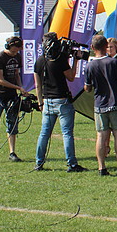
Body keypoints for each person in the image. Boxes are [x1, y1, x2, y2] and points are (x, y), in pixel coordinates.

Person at [33, 32, 86, 172]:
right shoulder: (61, 59)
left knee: (44, 133)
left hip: (47, 101)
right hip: (62, 100)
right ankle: (72, 164)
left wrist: (40, 102)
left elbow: (37, 85)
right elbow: (71, 77)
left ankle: (39, 163)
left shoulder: (39, 61)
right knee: (67, 133)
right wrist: (75, 61)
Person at [84, 34, 117, 176]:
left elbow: (87, 89)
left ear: (93, 48)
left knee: (101, 136)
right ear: (106, 47)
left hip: (99, 105)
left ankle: (102, 168)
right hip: (116, 104)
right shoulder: (113, 63)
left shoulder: (90, 65)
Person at [0, 36, 26, 164]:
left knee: (12, 123)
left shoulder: (18, 57)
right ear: (10, 46)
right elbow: (0, 80)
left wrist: (20, 87)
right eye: (17, 47)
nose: (18, 50)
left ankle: (12, 152)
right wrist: (18, 87)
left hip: (12, 95)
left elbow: (16, 74)